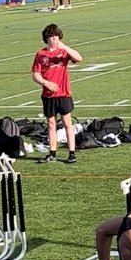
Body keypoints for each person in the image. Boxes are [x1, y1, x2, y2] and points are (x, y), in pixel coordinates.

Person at [31, 23, 82, 164]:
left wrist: (64, 46)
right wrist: (46, 83)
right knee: (51, 124)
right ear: (46, 38)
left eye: (56, 36)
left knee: (67, 123)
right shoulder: (41, 54)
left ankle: (72, 153)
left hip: (64, 93)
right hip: (48, 95)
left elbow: (79, 58)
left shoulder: (64, 52)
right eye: (52, 37)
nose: (54, 39)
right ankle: (52, 152)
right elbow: (35, 74)